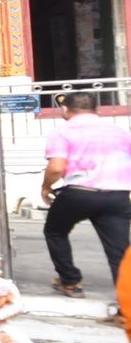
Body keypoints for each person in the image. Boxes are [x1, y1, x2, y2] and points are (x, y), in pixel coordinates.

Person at [39, 90, 131, 299]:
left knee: (55, 231)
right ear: (96, 110)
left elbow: (56, 168)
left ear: (65, 109)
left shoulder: (63, 131)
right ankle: (127, 307)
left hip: (80, 193)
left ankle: (70, 281)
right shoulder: (119, 131)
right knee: (119, 251)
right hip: (117, 195)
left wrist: (45, 187)